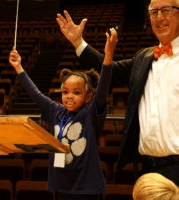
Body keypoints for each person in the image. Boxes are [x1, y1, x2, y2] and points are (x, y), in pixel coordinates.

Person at [56, 0, 179, 199]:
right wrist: (78, 43)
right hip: (149, 170)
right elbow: (107, 66)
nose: (159, 17)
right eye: (153, 12)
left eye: (166, 10)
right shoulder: (143, 57)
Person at [9, 29, 117, 200]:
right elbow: (35, 94)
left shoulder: (91, 113)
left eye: (76, 92)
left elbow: (103, 88)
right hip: (63, 184)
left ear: (88, 97)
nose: (69, 97)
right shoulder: (55, 111)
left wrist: (108, 56)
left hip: (87, 187)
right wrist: (18, 67)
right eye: (65, 92)